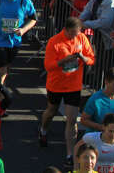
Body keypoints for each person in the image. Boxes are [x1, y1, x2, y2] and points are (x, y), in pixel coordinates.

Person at [40, 17, 96, 168]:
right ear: (66, 29)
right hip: (56, 85)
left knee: (72, 120)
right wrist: (64, 61)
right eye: (72, 33)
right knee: (51, 111)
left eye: (77, 33)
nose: (74, 36)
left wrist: (83, 58)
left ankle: (70, 154)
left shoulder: (82, 38)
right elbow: (48, 66)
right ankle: (43, 130)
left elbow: (91, 59)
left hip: (74, 86)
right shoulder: (54, 41)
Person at [80, 68, 114, 133]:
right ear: (106, 82)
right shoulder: (95, 99)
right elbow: (83, 120)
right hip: (97, 136)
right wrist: (102, 127)